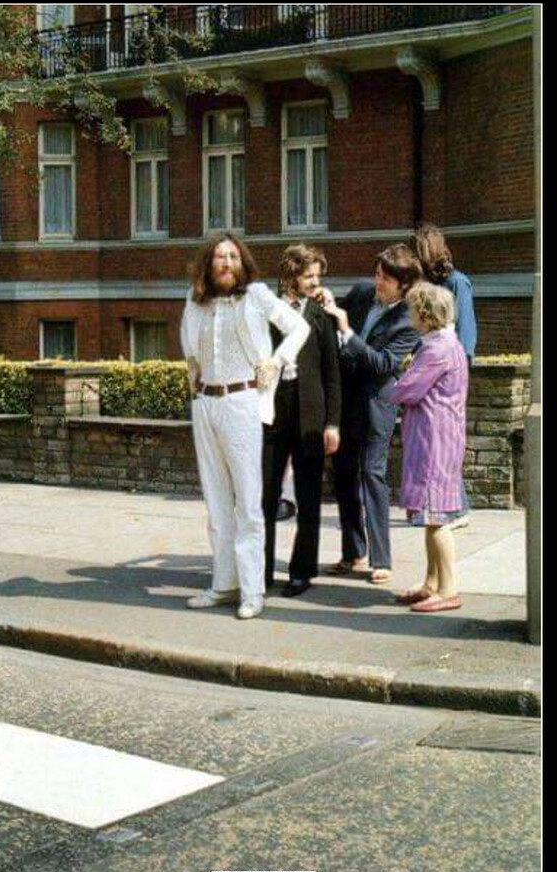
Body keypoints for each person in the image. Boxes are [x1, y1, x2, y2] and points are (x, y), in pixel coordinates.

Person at [180, 233, 309, 620]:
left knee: (248, 504)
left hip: (243, 402)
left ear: (242, 262)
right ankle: (224, 583)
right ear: (208, 263)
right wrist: (191, 364)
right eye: (219, 256)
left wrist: (278, 360)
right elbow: (188, 339)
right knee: (216, 500)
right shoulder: (195, 299)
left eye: (232, 256)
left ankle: (252, 590)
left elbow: (298, 328)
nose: (225, 262)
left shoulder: (256, 295)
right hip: (205, 402)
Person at [320, 245, 422, 583]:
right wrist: (325, 300)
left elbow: (382, 365)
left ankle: (382, 559)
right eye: (377, 273)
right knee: (344, 477)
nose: (376, 280)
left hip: (375, 406)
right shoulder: (363, 292)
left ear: (404, 285)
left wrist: (347, 331)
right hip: (345, 402)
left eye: (385, 278)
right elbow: (331, 314)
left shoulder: (408, 321)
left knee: (373, 477)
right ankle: (353, 553)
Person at [262, 245, 341, 596]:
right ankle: (260, 570)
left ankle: (301, 570)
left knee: (308, 495)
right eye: (308, 276)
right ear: (290, 276)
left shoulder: (321, 315)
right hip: (272, 412)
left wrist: (332, 424)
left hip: (310, 412)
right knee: (265, 495)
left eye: (317, 277)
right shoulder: (267, 311)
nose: (314, 282)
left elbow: (332, 374)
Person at [387, 281, 468, 612]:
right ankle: (432, 583)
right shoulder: (445, 343)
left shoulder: (436, 349)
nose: (408, 315)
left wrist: (393, 384)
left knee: (436, 517)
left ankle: (447, 589)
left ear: (423, 313)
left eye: (411, 309)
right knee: (429, 516)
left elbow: (408, 390)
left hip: (435, 438)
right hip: (435, 435)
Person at [410, 224, 477, 528]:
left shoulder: (458, 283)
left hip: (450, 373)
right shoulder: (426, 284)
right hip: (433, 367)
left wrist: (456, 373)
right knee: (438, 445)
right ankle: (455, 507)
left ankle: (455, 509)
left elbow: (464, 334)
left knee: (446, 443)